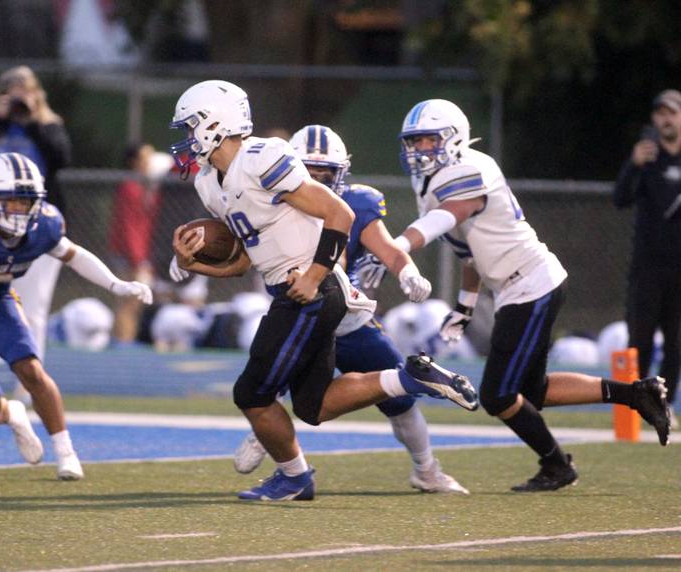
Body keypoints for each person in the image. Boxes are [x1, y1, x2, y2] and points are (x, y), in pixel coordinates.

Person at [168, 80, 478, 501]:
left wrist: (315, 274)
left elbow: (340, 211)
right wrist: (195, 264)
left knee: (252, 393)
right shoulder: (209, 182)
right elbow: (244, 262)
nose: (187, 139)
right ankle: (410, 378)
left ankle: (295, 478)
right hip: (293, 290)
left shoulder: (262, 156)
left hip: (311, 291)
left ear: (214, 123)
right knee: (313, 406)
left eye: (190, 127)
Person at [388, 98, 671, 492]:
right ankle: (637, 394)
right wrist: (465, 306)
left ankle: (557, 464)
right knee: (532, 390)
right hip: (517, 288)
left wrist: (398, 244)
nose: (418, 150)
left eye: (427, 141)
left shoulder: (472, 167)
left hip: (531, 283)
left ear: (454, 138)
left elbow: (447, 216)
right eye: (414, 142)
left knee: (498, 394)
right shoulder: (434, 182)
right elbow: (470, 252)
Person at [229, 124, 469, 494]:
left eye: (327, 175)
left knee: (399, 403)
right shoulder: (268, 199)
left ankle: (427, 470)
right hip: (307, 313)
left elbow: (388, 248)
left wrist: (407, 271)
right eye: (310, 174)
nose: (319, 182)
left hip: (346, 320)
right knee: (277, 385)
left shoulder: (353, 204)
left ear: (342, 173)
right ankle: (270, 437)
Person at [0, 153, 152, 480]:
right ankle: (13, 414)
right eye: (11, 201)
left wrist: (115, 284)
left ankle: (66, 452)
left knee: (31, 370)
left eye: (27, 201)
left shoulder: (45, 226)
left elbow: (74, 256)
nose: (20, 210)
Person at [0, 66, 72, 402]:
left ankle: (28, 383)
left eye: (24, 91)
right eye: (12, 91)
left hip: (37, 226)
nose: (19, 99)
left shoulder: (49, 125)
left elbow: (61, 158)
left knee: (33, 305)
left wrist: (34, 119)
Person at [613, 89, 681, 430]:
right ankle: (634, 407)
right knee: (638, 341)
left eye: (672, 112)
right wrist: (632, 164)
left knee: (676, 345)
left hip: (679, 272)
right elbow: (619, 198)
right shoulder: (647, 160)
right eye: (660, 113)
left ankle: (663, 408)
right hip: (647, 269)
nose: (665, 119)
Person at [108, 143, 163, 344]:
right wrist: (137, 259)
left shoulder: (143, 186)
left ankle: (122, 340)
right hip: (128, 254)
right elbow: (129, 226)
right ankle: (122, 343)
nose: (149, 162)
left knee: (132, 303)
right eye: (144, 158)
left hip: (136, 253)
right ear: (134, 162)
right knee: (129, 301)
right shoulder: (130, 188)